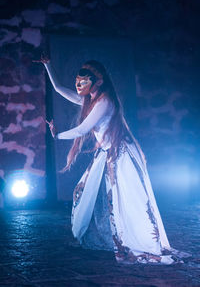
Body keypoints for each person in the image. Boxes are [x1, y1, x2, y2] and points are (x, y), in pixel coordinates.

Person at [36, 56, 182, 264]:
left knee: (128, 201)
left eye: (85, 81)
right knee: (85, 192)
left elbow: (83, 129)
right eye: (79, 80)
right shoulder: (90, 100)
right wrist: (47, 64)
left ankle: (139, 241)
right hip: (107, 152)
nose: (79, 85)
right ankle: (103, 237)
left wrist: (57, 135)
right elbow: (60, 89)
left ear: (98, 81)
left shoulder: (104, 101)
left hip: (121, 154)